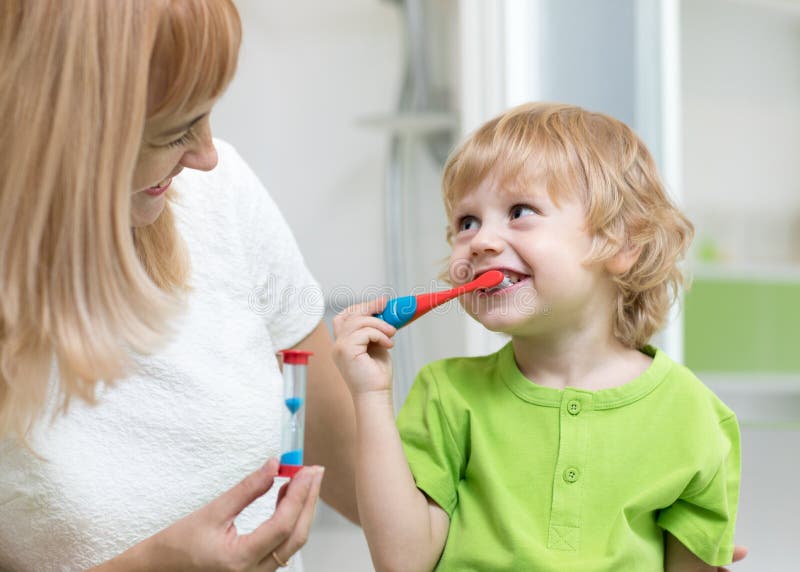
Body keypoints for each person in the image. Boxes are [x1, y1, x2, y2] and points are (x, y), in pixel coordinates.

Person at [0, 1, 357, 570]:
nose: (209, 157)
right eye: (174, 133)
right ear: (65, 136)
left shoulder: (218, 196)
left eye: (209, 113)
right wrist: (152, 566)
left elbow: (373, 483)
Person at [333, 102, 744, 571]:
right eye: (466, 223)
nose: (481, 241)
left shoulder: (693, 415)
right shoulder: (445, 396)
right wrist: (369, 394)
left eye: (519, 211)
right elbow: (402, 564)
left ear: (622, 243)